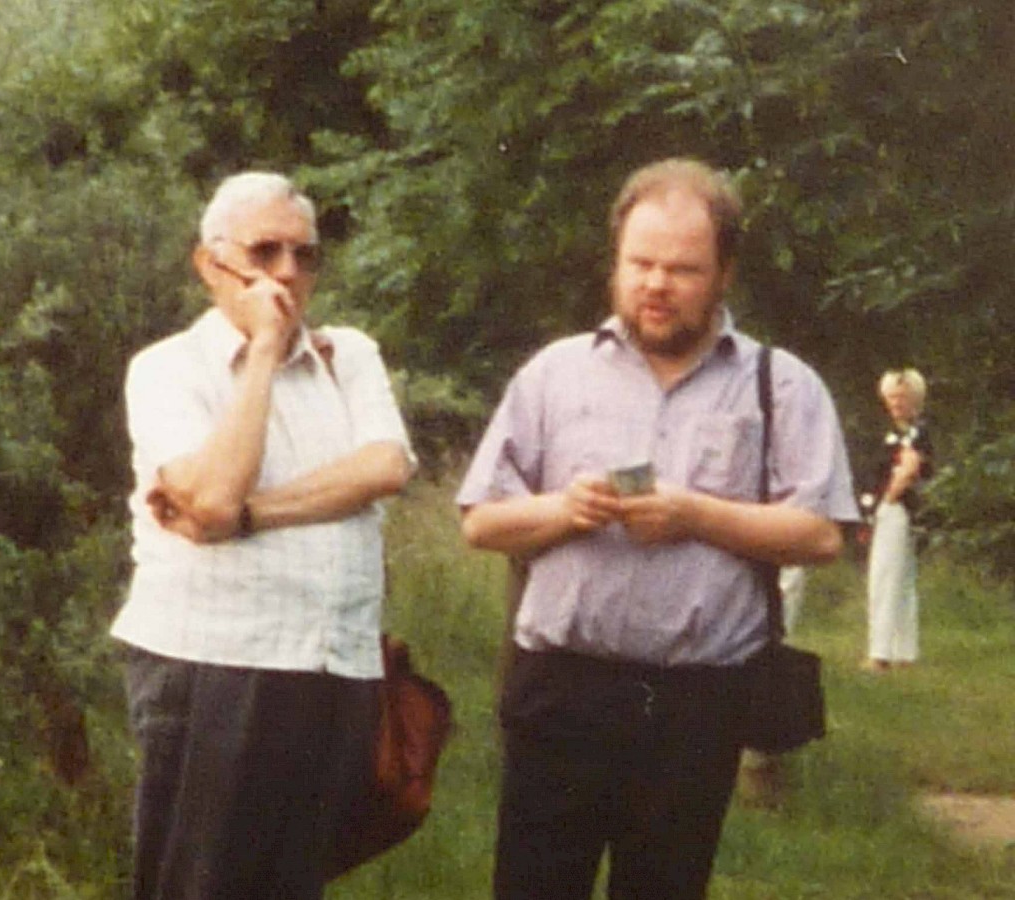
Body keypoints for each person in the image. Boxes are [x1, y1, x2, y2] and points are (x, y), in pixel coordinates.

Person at [456, 158, 859, 900]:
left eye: (683, 269)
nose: (656, 285)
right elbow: (481, 522)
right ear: (615, 261)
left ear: (725, 271)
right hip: (561, 690)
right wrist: (564, 510)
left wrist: (696, 514)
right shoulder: (555, 374)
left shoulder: (780, 384)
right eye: (640, 263)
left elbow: (821, 534)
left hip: (697, 701)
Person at [112, 172, 415, 900]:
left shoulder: (350, 356)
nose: (288, 272)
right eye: (265, 251)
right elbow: (212, 496)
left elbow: (384, 465)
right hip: (216, 664)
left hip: (333, 667)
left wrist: (253, 517)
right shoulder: (166, 371)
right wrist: (264, 351)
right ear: (211, 264)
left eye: (305, 255)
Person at [861, 368, 933, 671]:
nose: (895, 402)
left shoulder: (916, 433)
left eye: (902, 397)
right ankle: (905, 652)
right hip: (893, 510)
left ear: (915, 398)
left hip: (898, 510)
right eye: (891, 397)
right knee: (901, 579)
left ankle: (880, 653)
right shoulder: (892, 430)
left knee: (885, 579)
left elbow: (910, 467)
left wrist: (888, 499)